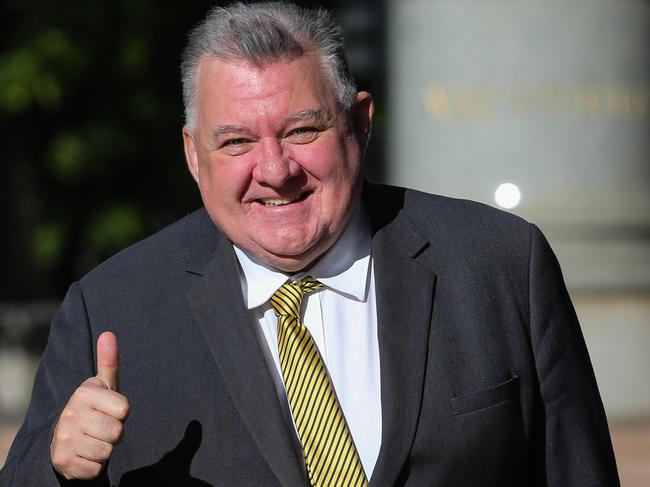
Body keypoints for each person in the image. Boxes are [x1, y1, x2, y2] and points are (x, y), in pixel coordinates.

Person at [1, 2, 620, 486]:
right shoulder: (110, 310)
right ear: (194, 155)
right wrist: (60, 469)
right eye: (237, 142)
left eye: (302, 130)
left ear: (359, 122)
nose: (275, 170)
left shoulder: (501, 265)